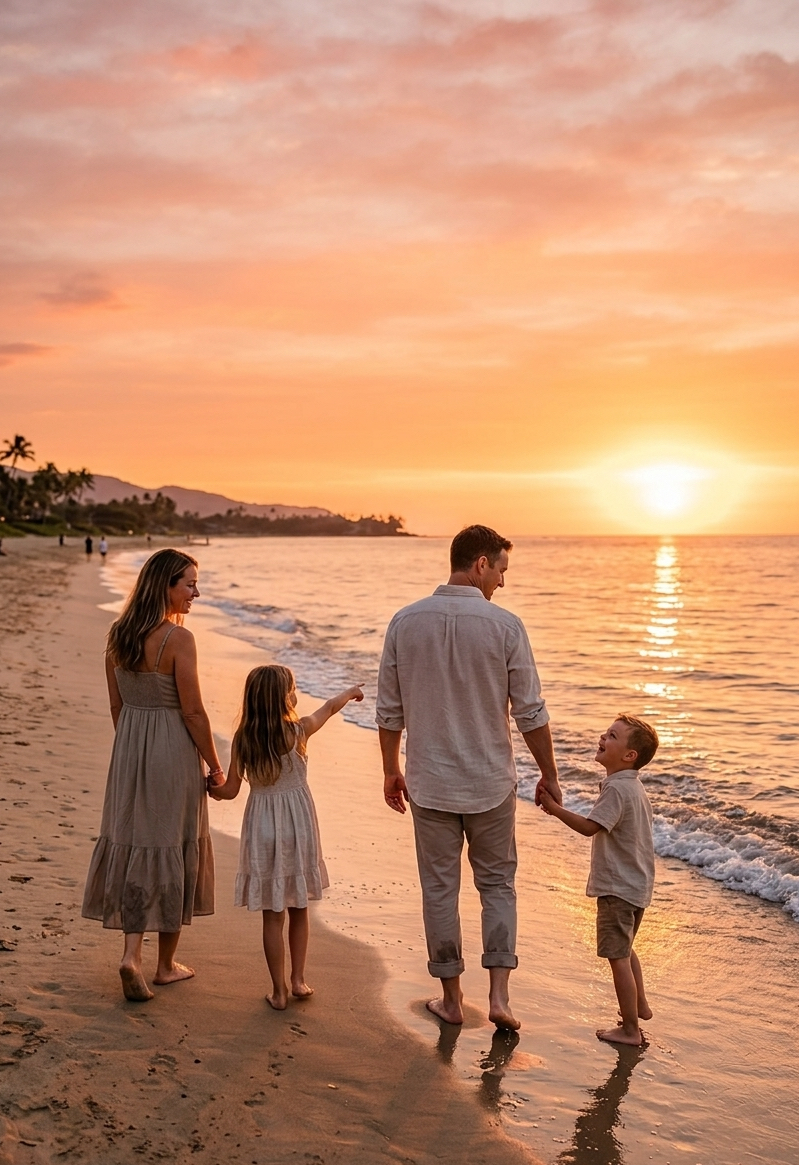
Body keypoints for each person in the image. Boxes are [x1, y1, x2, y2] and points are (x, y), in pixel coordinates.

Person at [376, 524, 561, 1030]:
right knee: (497, 886)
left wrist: (391, 770)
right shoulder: (505, 626)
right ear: (481, 563)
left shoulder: (405, 622)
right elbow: (531, 713)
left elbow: (389, 713)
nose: (503, 581)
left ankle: (453, 1000)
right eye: (501, 569)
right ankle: (499, 997)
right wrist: (550, 774)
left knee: (439, 889)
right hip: (489, 783)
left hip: (429, 783)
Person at [82, 549, 225, 1002]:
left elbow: (116, 705)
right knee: (170, 844)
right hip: (171, 749)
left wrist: (131, 748)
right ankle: (163, 965)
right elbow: (194, 711)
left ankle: (131, 954)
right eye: (189, 584)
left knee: (136, 842)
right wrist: (216, 766)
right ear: (165, 585)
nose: (196, 592)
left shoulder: (118, 635)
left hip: (129, 746)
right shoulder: (178, 640)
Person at [210, 666, 363, 1009]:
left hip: (261, 826)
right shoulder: (299, 731)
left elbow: (231, 791)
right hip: (298, 825)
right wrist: (350, 693)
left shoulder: (244, 739)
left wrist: (212, 789)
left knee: (272, 914)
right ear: (283, 698)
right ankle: (298, 980)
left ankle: (278, 991)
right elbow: (328, 708)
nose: (295, 695)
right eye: (292, 690)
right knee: (298, 907)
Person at [539, 714, 658, 1046]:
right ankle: (641, 1006)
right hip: (637, 883)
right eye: (606, 732)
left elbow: (590, 827)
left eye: (612, 736)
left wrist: (553, 808)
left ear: (629, 755)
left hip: (617, 887)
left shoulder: (618, 788)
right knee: (626, 948)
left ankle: (631, 1029)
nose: (603, 737)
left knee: (616, 955)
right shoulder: (633, 787)